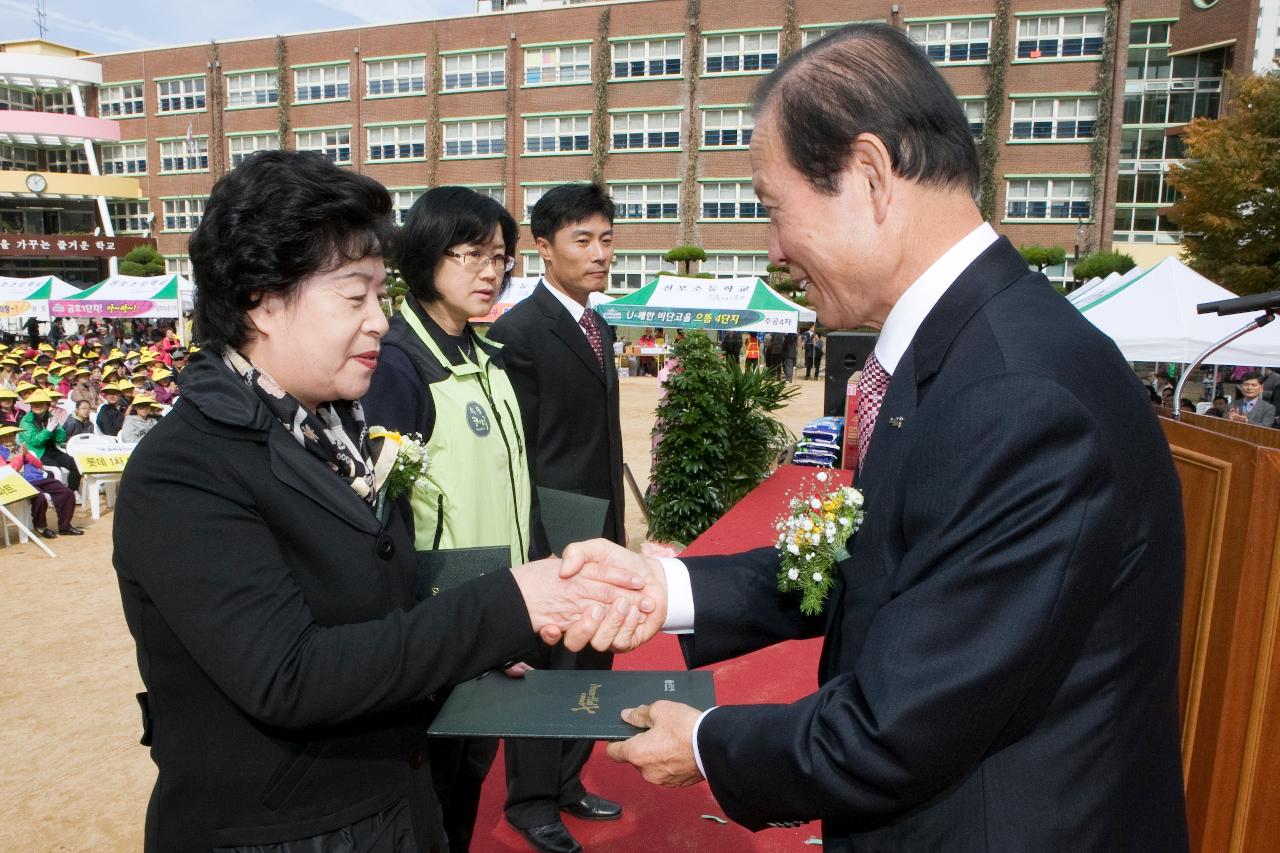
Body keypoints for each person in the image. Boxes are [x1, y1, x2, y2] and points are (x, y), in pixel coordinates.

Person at [564, 24, 1189, 851]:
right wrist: (666, 588)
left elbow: (901, 724)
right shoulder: (963, 354)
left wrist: (710, 744)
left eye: (773, 209)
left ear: (867, 177)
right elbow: (880, 562)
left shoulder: (1017, 394)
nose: (775, 250)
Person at [112, 150, 648, 853]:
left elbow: (378, 608)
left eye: (379, 292)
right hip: (282, 830)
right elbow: (290, 673)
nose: (378, 320)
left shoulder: (333, 427)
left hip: (389, 807)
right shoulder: (186, 470)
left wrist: (474, 647)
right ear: (262, 301)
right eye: (354, 294)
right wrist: (510, 604)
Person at [361, 186, 530, 853]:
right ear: (426, 255)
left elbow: (516, 492)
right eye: (472, 255)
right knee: (428, 804)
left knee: (465, 791)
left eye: (500, 257)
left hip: (497, 620)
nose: (491, 272)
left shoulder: (487, 359)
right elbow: (379, 516)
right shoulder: (399, 367)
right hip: (439, 634)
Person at [489, 182, 626, 853]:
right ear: (543, 247)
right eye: (583, 239)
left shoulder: (600, 325)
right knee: (548, 673)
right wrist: (537, 552)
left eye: (606, 237)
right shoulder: (518, 333)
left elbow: (604, 442)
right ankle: (531, 799)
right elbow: (522, 455)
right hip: (551, 537)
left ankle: (568, 779)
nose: (600, 253)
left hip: (600, 530)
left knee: (595, 668)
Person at [0, 425, 82, 537]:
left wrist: (27, 454)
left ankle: (65, 526)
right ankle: (41, 526)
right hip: (20, 481)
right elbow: (9, 470)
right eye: (5, 436)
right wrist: (20, 456)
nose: (9, 438)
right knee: (40, 497)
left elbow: (39, 465)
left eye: (12, 435)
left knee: (66, 493)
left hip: (39, 477)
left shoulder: (21, 447)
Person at [17, 388, 80, 492]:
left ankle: (72, 491)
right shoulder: (26, 421)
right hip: (37, 453)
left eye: (41, 403)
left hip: (52, 450)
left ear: (47, 405)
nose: (37, 406)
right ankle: (54, 494)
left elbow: (60, 439)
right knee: (55, 470)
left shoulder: (50, 417)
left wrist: (56, 430)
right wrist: (48, 430)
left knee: (75, 463)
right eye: (34, 403)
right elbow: (34, 442)